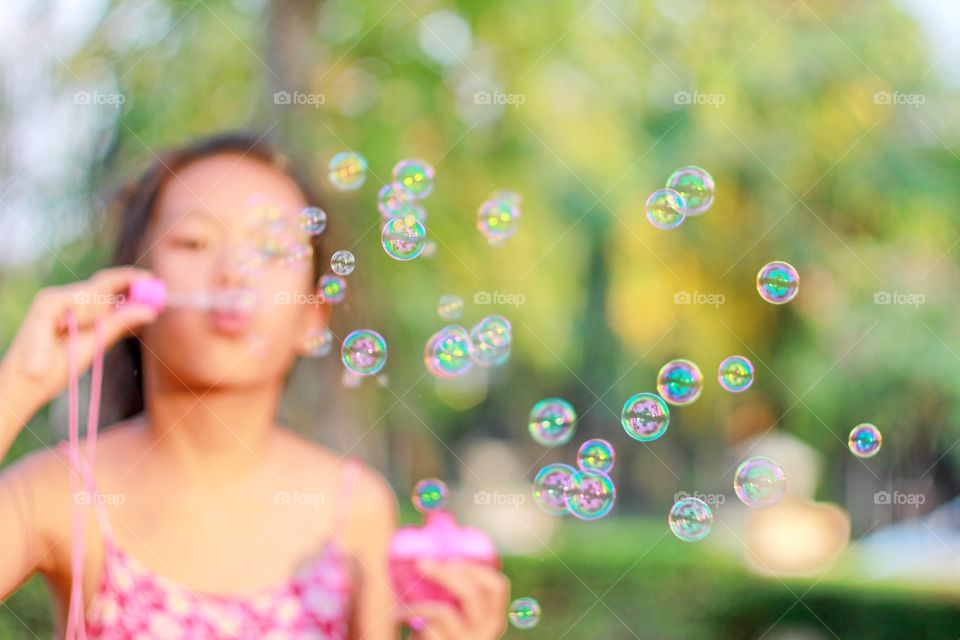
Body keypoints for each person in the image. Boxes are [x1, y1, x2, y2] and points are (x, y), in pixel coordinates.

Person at [0, 132, 510, 639]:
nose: (233, 274)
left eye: (271, 249)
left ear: (313, 316)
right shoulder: (61, 492)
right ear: (135, 288)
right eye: (194, 242)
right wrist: (20, 383)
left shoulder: (355, 507)